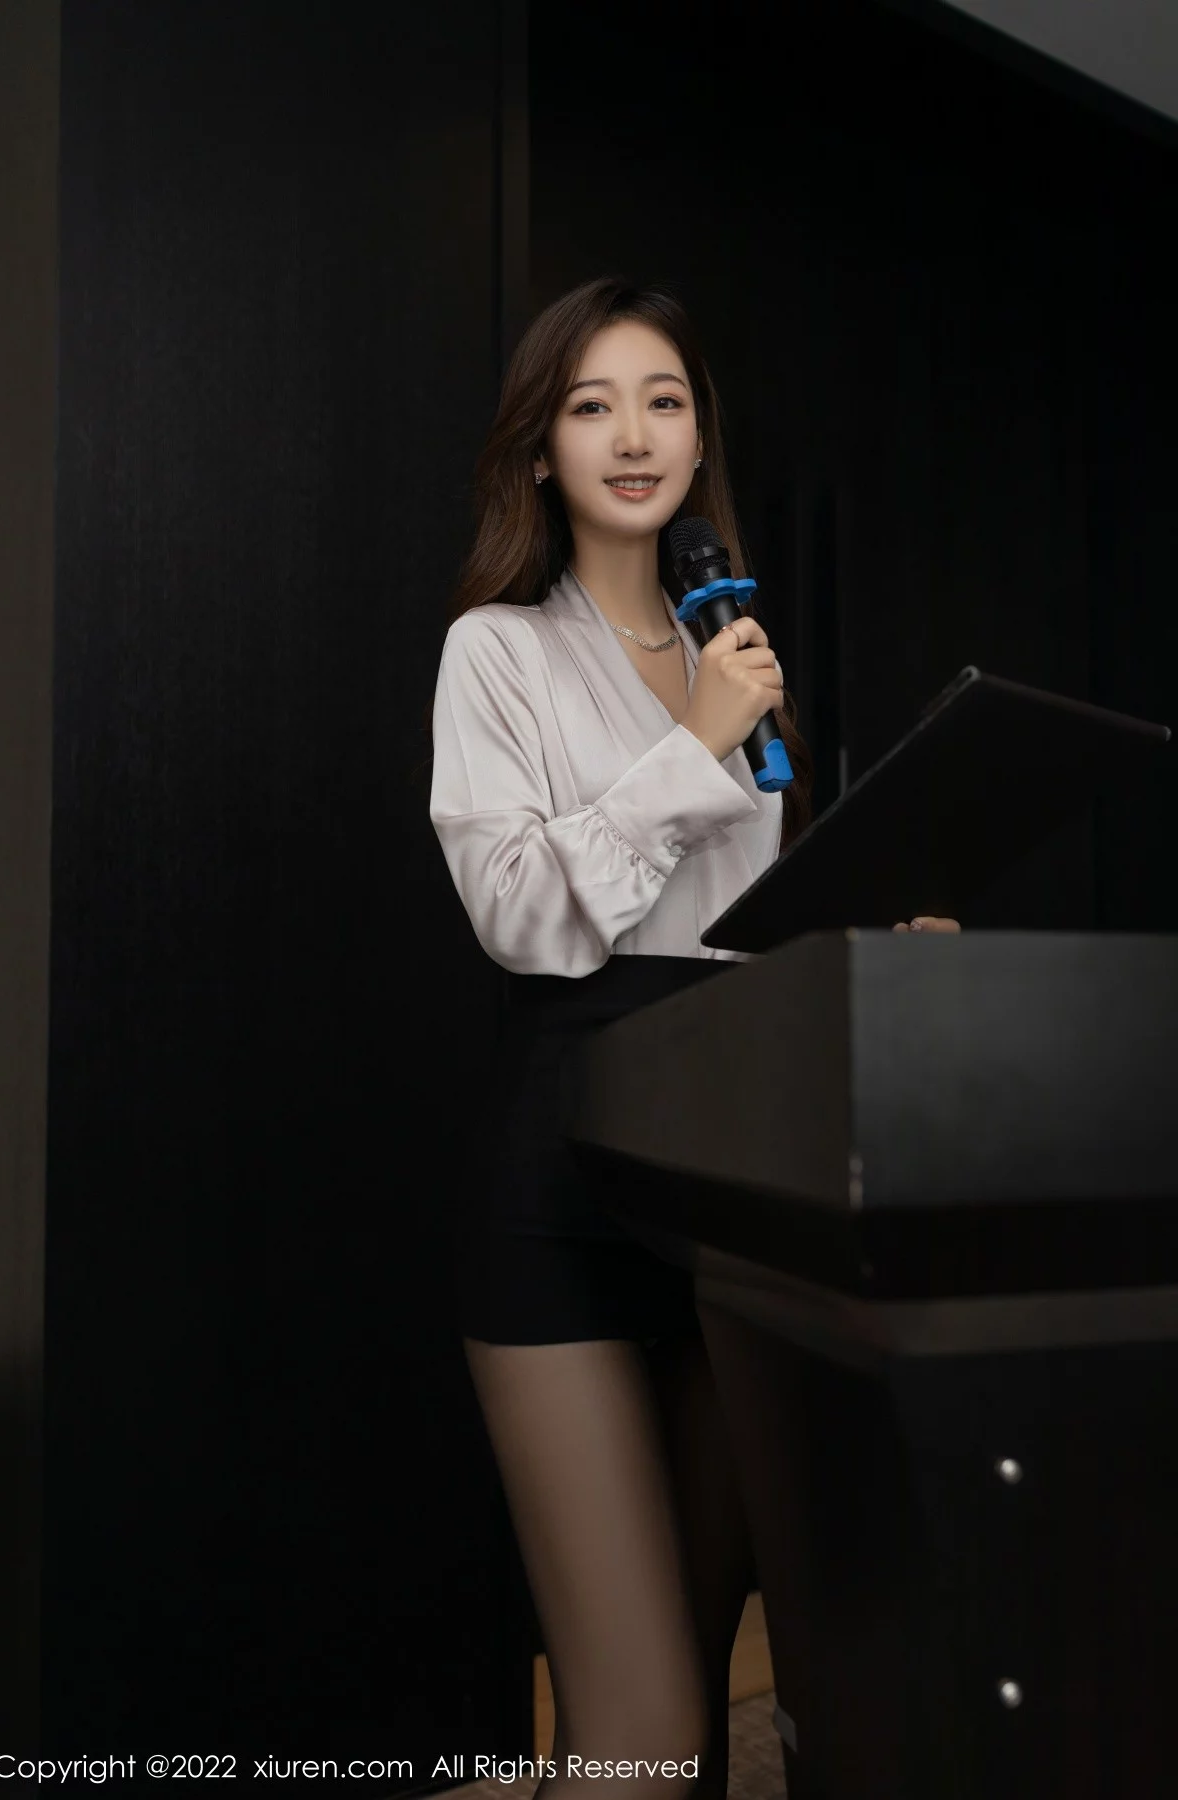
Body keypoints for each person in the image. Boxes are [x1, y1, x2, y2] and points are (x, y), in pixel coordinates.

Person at [428, 276, 958, 1800]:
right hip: (564, 1179)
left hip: (734, 1183)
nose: (633, 435)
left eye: (662, 401)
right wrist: (693, 746)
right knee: (646, 1749)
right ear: (542, 451)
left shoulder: (734, 648)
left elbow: (740, 938)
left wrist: (874, 945)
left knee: (736, 1707)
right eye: (591, 406)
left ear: (698, 436)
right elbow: (524, 916)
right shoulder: (498, 654)